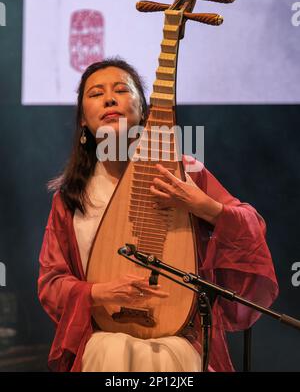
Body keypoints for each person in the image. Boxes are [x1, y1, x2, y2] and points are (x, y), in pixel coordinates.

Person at [38, 58, 278, 372]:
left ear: (145, 112)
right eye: (95, 93)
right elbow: (51, 284)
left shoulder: (186, 172)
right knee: (110, 350)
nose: (110, 98)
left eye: (121, 90)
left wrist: (202, 205)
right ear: (83, 120)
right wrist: (97, 292)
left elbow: (252, 228)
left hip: (179, 337)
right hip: (101, 336)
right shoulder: (71, 197)